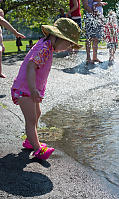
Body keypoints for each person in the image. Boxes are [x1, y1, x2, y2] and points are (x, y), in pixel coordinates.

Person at [11, 18, 81, 160]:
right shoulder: (44, 49)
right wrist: (33, 89)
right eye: (68, 43)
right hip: (26, 89)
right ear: (57, 37)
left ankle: (30, 140)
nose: (68, 47)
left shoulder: (46, 45)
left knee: (37, 114)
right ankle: (38, 149)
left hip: (29, 88)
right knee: (31, 119)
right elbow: (31, 66)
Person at [0, 9, 25, 78]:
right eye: (1, 16)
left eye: (3, 16)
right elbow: (2, 21)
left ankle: (0, 72)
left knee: (0, 59)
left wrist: (2, 44)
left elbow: (0, 36)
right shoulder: (1, 20)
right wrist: (15, 32)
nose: (2, 18)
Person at [82, 0, 107, 64]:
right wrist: (94, 14)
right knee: (89, 38)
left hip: (98, 18)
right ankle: (88, 57)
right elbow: (85, 6)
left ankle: (94, 57)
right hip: (90, 18)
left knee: (96, 39)